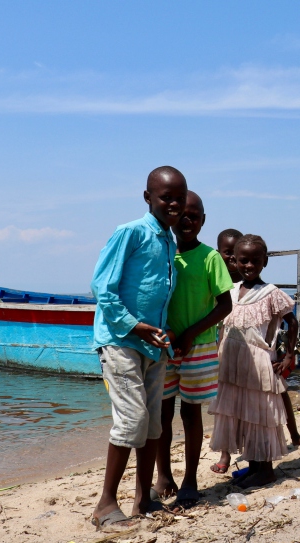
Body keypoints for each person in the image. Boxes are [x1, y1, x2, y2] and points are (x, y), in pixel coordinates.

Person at [89, 166, 187, 530]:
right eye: (166, 197)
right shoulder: (130, 232)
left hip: (153, 345)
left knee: (154, 426)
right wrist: (136, 326)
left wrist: (159, 332)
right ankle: (104, 505)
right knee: (131, 422)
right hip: (121, 340)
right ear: (148, 198)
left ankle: (143, 499)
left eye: (179, 197)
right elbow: (103, 287)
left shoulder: (169, 240)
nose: (174, 204)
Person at [149, 192, 234, 508]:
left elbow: (224, 304)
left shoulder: (210, 258)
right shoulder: (163, 254)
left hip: (198, 346)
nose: (187, 220)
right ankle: (164, 478)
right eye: (181, 214)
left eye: (194, 215)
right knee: (162, 412)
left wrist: (190, 334)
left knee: (190, 412)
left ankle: (190, 479)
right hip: (166, 345)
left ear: (203, 220)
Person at [212, 230, 300, 475]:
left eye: (255, 261)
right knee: (238, 412)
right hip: (231, 361)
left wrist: (289, 354)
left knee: (259, 415)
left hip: (259, 361)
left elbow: (292, 322)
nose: (248, 266)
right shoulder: (231, 290)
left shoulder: (271, 292)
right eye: (243, 260)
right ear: (234, 261)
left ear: (264, 261)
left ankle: (264, 471)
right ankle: (253, 468)